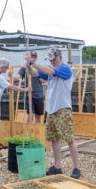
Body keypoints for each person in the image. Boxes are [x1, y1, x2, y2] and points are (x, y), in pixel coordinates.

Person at [24, 48, 81, 179]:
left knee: (69, 138)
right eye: (50, 60)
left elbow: (49, 71)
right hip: (51, 109)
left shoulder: (65, 69)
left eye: (54, 59)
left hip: (63, 108)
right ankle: (57, 166)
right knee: (54, 138)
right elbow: (36, 74)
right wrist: (28, 66)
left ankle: (76, 167)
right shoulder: (50, 69)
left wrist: (32, 62)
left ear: (60, 57)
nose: (52, 62)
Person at [0, 58, 30, 144]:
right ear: (3, 67)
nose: (8, 69)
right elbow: (10, 87)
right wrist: (25, 89)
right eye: (7, 67)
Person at [17, 51, 46, 123]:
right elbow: (18, 77)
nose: (33, 58)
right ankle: (28, 131)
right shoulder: (25, 67)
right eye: (31, 57)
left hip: (39, 95)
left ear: (36, 58)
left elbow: (44, 81)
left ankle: (37, 133)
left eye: (34, 57)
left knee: (38, 115)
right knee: (30, 114)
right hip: (29, 94)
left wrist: (36, 74)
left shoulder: (39, 68)